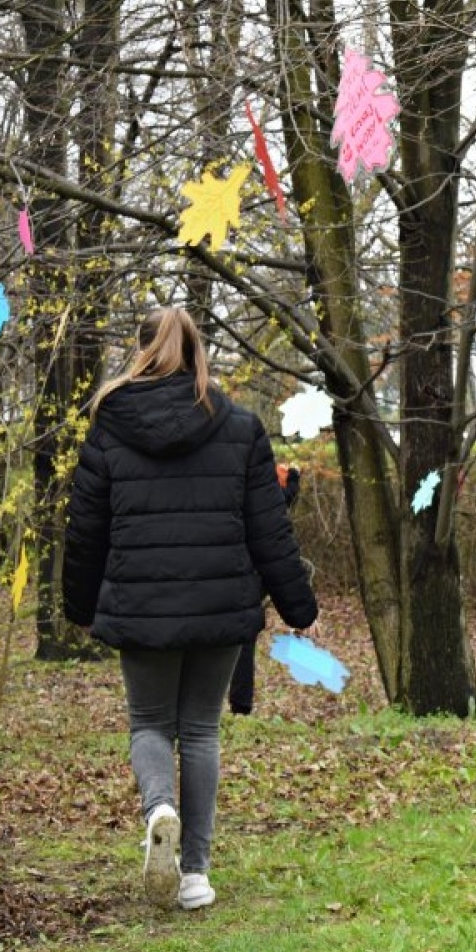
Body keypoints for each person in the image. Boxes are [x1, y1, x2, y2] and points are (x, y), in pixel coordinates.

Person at [62, 307, 318, 910]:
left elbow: (85, 530)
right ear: (200, 352)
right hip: (219, 605)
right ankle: (196, 873)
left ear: (142, 351)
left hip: (141, 603)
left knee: (149, 724)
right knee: (200, 732)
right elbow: (269, 528)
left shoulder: (109, 426)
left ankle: (160, 809)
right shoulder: (238, 426)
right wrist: (298, 606)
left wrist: (77, 604)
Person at [227, 461, 302, 717]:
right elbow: (276, 507)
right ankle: (240, 704)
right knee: (243, 638)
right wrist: (293, 481)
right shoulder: (266, 491)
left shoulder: (231, 482)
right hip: (251, 574)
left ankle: (229, 703)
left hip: (229, 569)